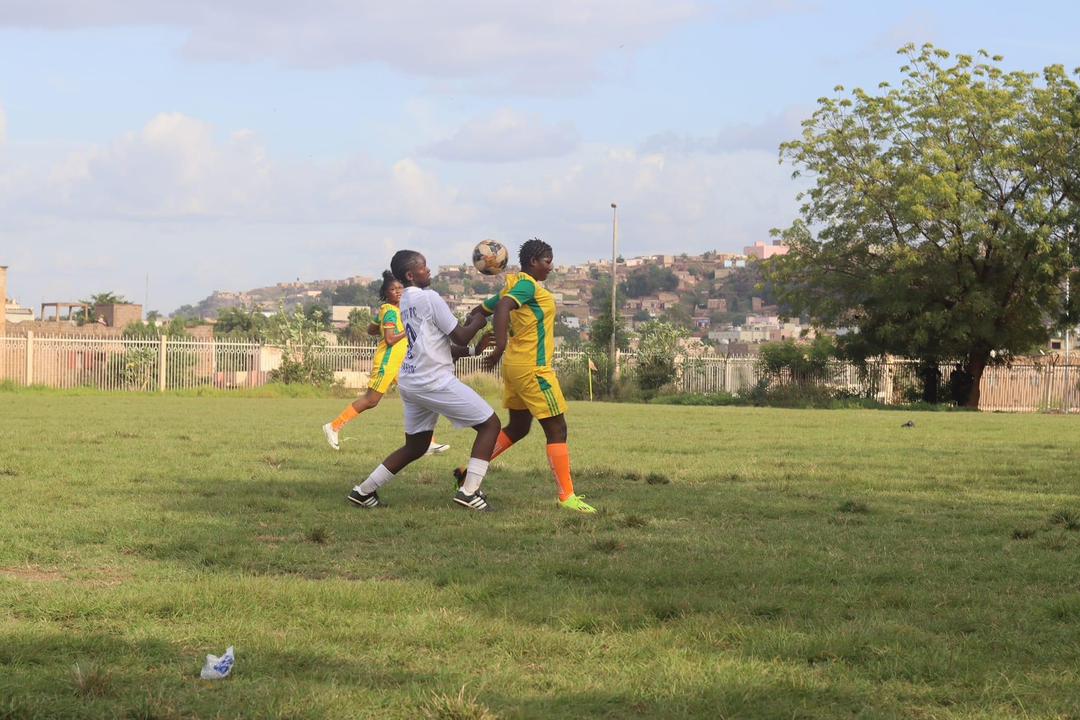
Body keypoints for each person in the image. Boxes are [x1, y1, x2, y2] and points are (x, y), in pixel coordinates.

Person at [348, 250, 500, 511]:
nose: (428, 270)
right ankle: (468, 492)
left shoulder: (404, 301)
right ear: (410, 275)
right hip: (433, 381)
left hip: (411, 381)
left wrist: (476, 349)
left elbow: (441, 348)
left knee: (416, 445)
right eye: (423, 266)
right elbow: (460, 337)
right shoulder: (429, 298)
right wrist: (478, 320)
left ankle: (363, 492)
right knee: (490, 424)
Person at [458, 238, 596, 514]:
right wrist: (499, 344)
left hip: (516, 367)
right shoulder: (526, 286)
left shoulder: (514, 284)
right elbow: (503, 307)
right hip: (534, 368)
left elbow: (480, 311)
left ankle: (467, 472)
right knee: (558, 429)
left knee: (519, 428)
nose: (551, 266)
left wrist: (478, 335)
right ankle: (567, 496)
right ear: (533, 262)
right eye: (547, 260)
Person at [322, 270, 450, 455]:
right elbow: (390, 340)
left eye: (400, 288)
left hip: (401, 363)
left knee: (418, 399)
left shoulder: (396, 310)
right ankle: (333, 427)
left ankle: (428, 442)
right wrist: (408, 329)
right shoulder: (390, 311)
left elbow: (371, 329)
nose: (398, 291)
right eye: (393, 289)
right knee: (371, 400)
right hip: (388, 362)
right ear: (386, 292)